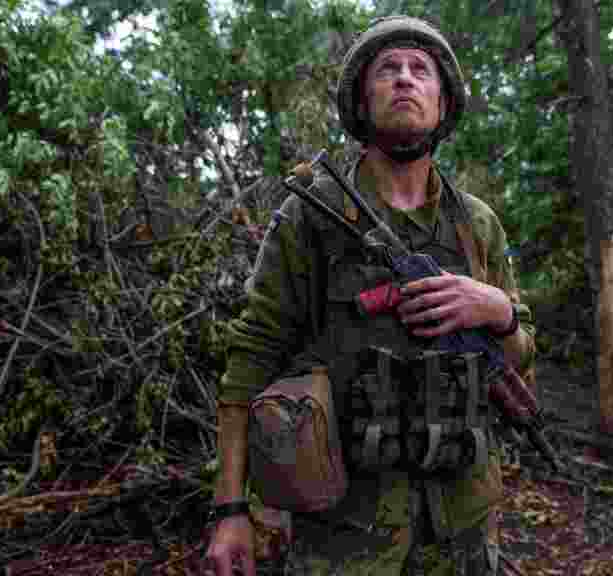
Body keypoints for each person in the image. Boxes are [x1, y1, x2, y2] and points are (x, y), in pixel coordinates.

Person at [206, 15, 536, 575]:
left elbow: (520, 357)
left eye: (421, 70)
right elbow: (251, 358)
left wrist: (499, 312)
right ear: (362, 100)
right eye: (388, 69)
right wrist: (231, 509)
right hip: (344, 533)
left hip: (462, 527)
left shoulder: (476, 224)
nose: (405, 78)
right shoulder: (310, 216)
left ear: (443, 102)